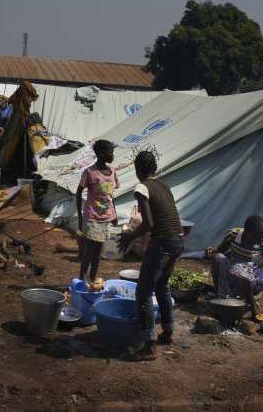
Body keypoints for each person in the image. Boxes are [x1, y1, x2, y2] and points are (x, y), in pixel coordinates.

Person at [117, 150, 183, 361]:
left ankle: (149, 346)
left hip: (162, 242)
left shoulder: (142, 187)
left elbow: (149, 224)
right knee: (162, 285)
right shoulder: (164, 185)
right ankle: (168, 332)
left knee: (143, 292)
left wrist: (129, 236)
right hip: (177, 241)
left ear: (138, 170)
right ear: (154, 168)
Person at [206, 216, 263, 322]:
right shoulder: (233, 235)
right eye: (257, 237)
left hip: (255, 273)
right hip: (235, 268)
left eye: (261, 236)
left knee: (243, 274)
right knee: (217, 258)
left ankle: (253, 306)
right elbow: (221, 249)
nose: (260, 240)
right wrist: (211, 251)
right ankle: (220, 295)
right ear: (248, 233)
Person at [75, 139, 118, 287]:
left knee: (98, 252)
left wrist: (114, 214)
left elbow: (110, 195)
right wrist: (80, 218)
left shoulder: (113, 171)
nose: (113, 155)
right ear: (101, 154)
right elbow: (78, 193)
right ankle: (81, 281)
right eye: (110, 152)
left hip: (105, 218)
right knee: (89, 251)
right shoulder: (90, 172)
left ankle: (92, 281)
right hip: (92, 217)